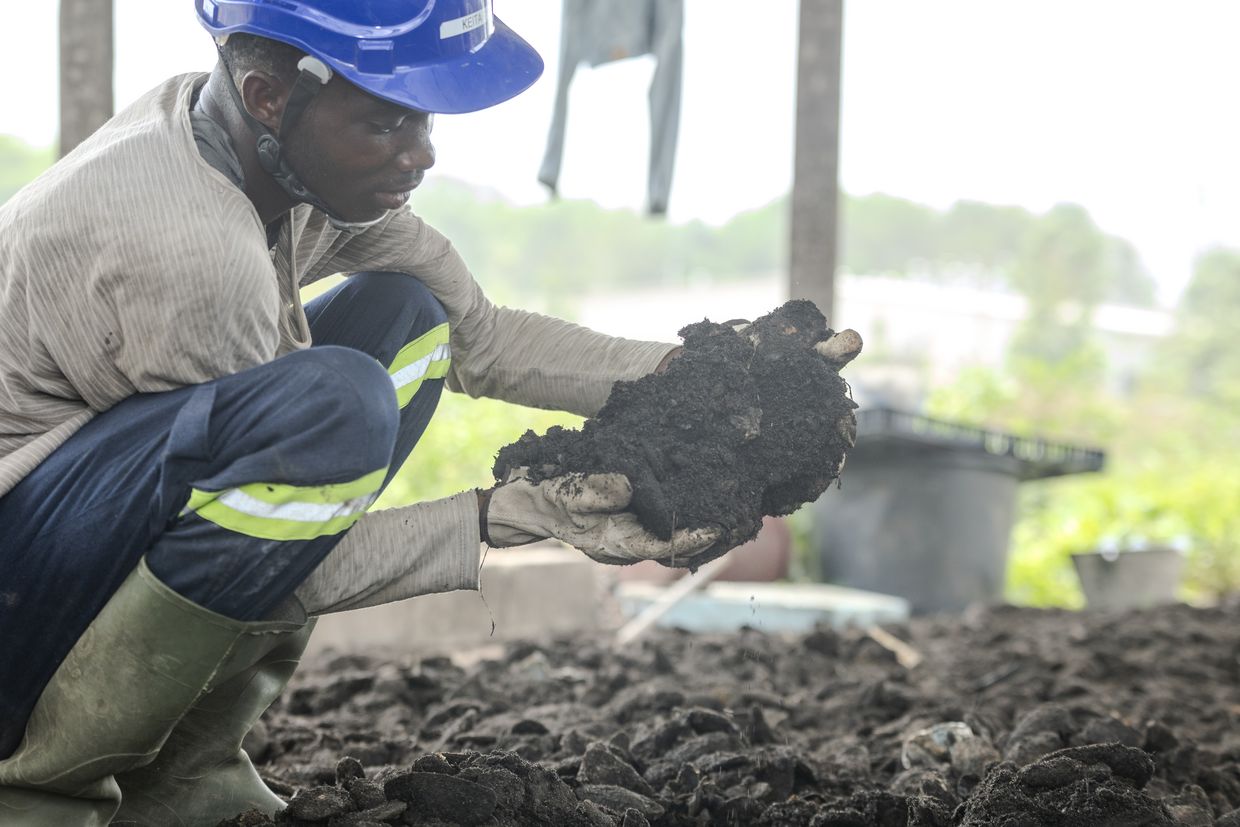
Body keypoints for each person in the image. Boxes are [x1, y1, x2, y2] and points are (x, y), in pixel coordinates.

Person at [0, 2, 861, 824]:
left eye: (425, 121)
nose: (420, 155)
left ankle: (179, 780)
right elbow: (281, 562)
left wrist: (717, 376)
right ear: (271, 93)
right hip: (15, 582)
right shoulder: (190, 250)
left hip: (67, 525)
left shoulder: (261, 152)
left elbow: (479, 339)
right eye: (386, 123)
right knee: (331, 408)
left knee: (410, 319)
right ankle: (40, 796)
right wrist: (493, 517)